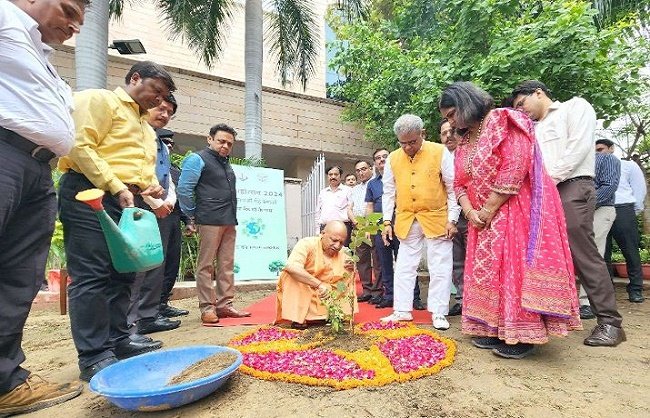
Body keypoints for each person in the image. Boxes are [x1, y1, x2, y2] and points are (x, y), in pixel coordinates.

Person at [441, 81, 582, 359]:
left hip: (512, 210)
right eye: (447, 118)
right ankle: (495, 328)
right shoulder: (465, 141)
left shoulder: (503, 120)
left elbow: (514, 168)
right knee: (490, 275)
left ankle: (522, 335)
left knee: (512, 272)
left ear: (466, 103)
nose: (451, 122)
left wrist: (487, 210)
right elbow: (459, 183)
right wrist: (470, 212)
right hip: (481, 221)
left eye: (452, 114)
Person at [58, 61, 175, 381]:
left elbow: (137, 166)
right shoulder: (99, 100)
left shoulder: (144, 126)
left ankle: (119, 339)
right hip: (89, 192)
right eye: (156, 91)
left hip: (125, 199)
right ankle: (95, 354)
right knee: (92, 274)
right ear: (135, 78)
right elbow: (80, 145)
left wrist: (149, 186)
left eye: (163, 97)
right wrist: (116, 185)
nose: (158, 100)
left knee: (123, 273)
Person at [0, 0, 88, 413]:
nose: (75, 25)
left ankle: (6, 381)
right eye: (68, 10)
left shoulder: (41, 53)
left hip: (36, 168)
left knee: (18, 279)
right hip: (5, 153)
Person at [512, 80, 625, 346]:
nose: (521, 110)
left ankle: (611, 323)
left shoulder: (575, 107)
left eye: (522, 103)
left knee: (582, 253)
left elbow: (578, 148)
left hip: (570, 187)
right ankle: (545, 319)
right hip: (540, 194)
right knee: (540, 257)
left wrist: (547, 182)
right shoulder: (532, 128)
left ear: (538, 92)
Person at [380, 114, 460, 330]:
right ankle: (402, 310)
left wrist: (452, 219)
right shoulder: (393, 158)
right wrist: (387, 221)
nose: (408, 147)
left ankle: (439, 312)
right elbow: (388, 192)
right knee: (404, 265)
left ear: (422, 134)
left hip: (437, 217)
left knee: (440, 265)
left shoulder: (440, 151)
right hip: (406, 218)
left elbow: (453, 188)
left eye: (412, 142)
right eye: (403, 143)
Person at [177, 123, 251, 325]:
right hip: (208, 219)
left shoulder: (226, 163)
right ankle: (207, 307)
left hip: (229, 219)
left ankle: (225, 304)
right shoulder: (197, 159)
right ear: (210, 139)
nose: (225, 146)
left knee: (226, 265)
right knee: (206, 265)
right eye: (221, 141)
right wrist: (191, 216)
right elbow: (184, 189)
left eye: (229, 143)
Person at [127, 95, 183, 334]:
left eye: (169, 112)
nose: (164, 115)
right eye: (161, 109)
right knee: (139, 266)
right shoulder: (135, 133)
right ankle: (132, 323)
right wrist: (155, 202)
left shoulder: (158, 143)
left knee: (156, 263)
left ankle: (148, 316)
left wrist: (167, 202)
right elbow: (137, 174)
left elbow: (167, 180)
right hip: (141, 205)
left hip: (162, 208)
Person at [365, 148, 425, 310]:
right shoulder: (372, 184)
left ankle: (414, 297)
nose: (382, 160)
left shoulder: (402, 176)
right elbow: (369, 206)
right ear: (375, 163)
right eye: (378, 158)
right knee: (384, 263)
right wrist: (369, 227)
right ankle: (389, 296)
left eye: (385, 156)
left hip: (402, 226)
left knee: (407, 263)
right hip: (380, 229)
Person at [276, 221, 358, 328]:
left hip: (328, 292)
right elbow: (291, 266)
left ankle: (337, 314)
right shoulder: (306, 244)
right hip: (307, 289)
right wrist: (318, 285)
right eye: (334, 240)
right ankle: (299, 318)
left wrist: (352, 267)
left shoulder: (343, 252)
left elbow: (347, 273)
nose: (337, 246)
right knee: (290, 274)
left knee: (349, 272)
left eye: (341, 243)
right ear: (322, 234)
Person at [600, 141, 647, 303]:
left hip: (623, 209)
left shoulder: (628, 165)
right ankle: (607, 290)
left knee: (631, 251)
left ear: (611, 148)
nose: (599, 153)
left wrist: (633, 211)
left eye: (601, 149)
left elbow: (639, 189)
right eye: (595, 151)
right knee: (602, 252)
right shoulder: (592, 167)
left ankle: (635, 289)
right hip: (600, 209)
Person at [578, 141, 620, 319]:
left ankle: (587, 302)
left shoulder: (606, 158)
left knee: (592, 254)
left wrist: (585, 206)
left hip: (599, 210)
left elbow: (609, 185)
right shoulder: (577, 159)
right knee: (581, 254)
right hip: (580, 210)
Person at [157, 133, 191, 318]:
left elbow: (180, 198)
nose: (169, 146)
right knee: (157, 263)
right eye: (165, 142)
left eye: (171, 143)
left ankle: (162, 304)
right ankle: (149, 309)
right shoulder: (150, 163)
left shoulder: (175, 169)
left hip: (173, 218)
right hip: (155, 216)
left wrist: (188, 220)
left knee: (172, 262)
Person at [440, 119, 466, 317]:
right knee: (456, 261)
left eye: (452, 131)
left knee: (475, 259)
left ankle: (479, 302)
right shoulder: (438, 159)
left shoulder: (470, 153)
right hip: (448, 216)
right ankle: (462, 300)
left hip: (473, 213)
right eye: (444, 133)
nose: (448, 136)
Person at [348, 160, 383, 302]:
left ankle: (378, 291)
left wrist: (369, 224)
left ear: (370, 168)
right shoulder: (355, 189)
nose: (360, 173)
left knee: (377, 258)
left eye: (363, 169)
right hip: (358, 225)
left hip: (373, 225)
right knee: (362, 259)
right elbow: (349, 208)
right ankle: (367, 290)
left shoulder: (376, 184)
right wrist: (355, 222)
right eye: (358, 170)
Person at [316, 166, 353, 244]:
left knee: (343, 250)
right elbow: (318, 212)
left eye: (336, 174)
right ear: (327, 176)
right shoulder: (323, 192)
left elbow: (352, 208)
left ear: (340, 176)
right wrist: (317, 230)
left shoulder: (348, 190)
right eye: (330, 174)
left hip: (342, 228)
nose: (333, 177)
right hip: (325, 227)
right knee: (325, 250)